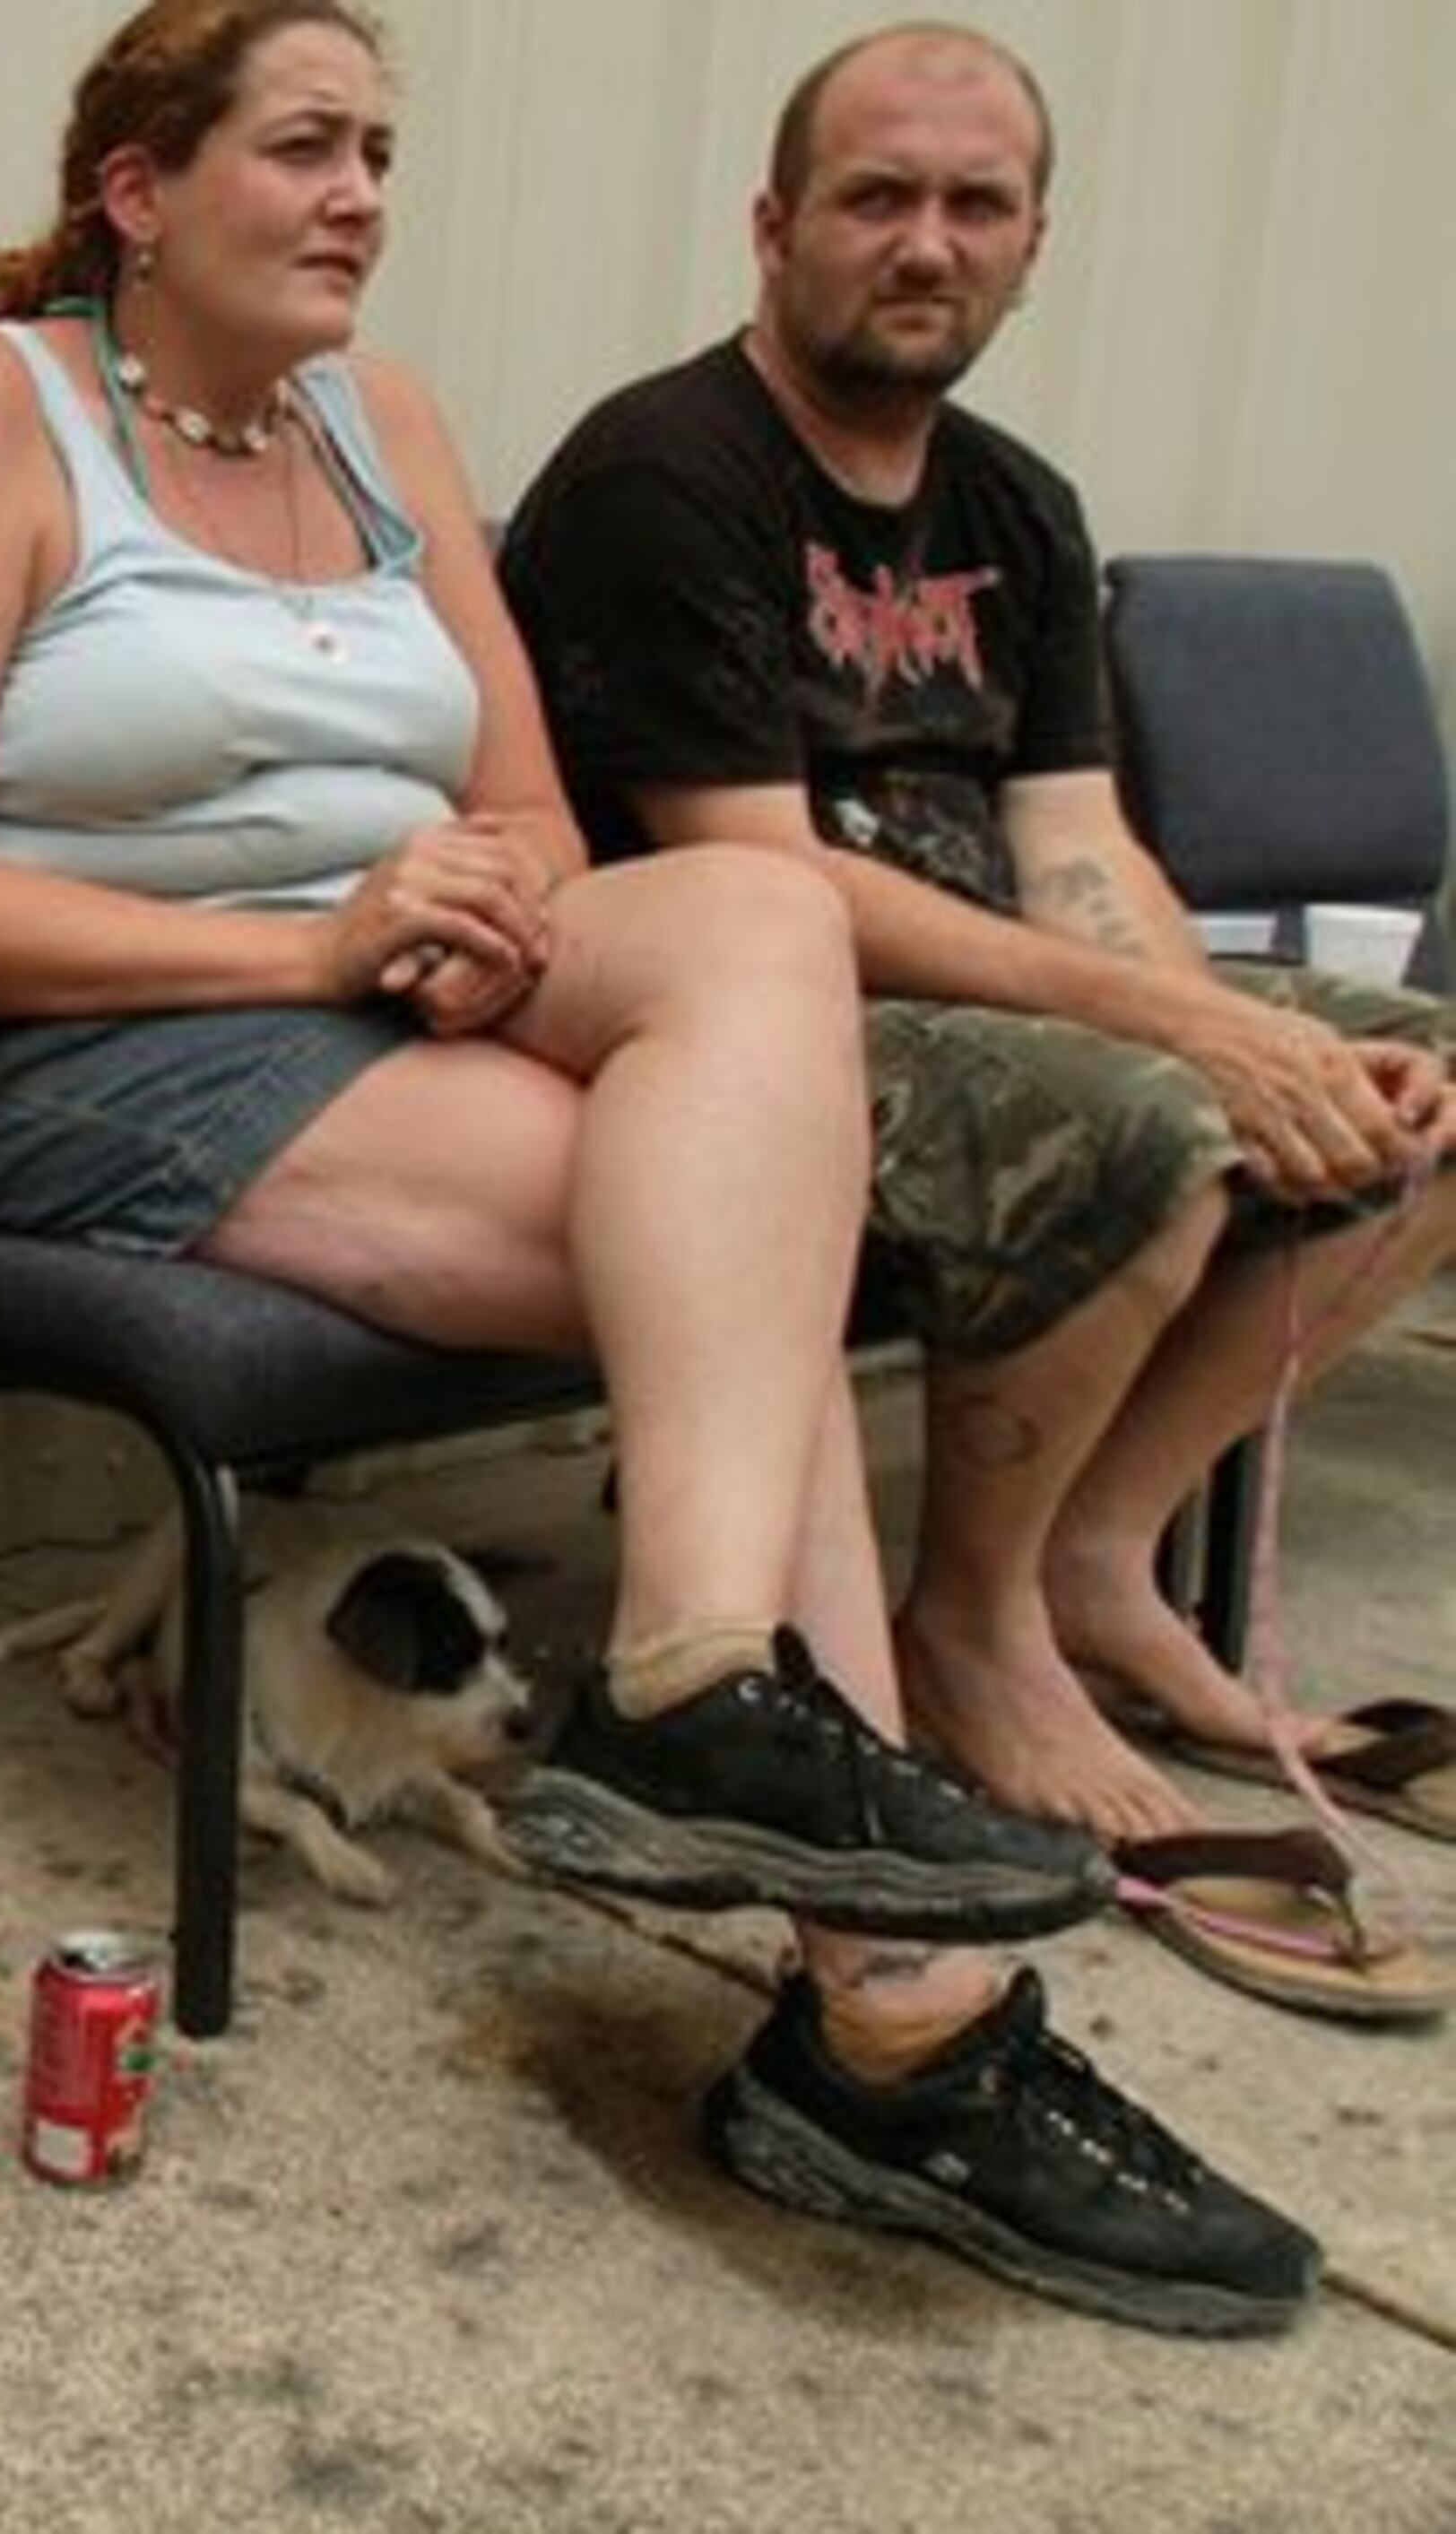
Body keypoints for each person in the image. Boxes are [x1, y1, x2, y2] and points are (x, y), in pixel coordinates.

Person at [0, 0, 1316, 2334]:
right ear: (139, 187)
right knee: (735, 1249)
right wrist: (326, 933)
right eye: (306, 147)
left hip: (375, 999)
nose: (361, 198)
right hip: (60, 1050)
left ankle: (708, 1679)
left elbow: (518, 789)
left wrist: (490, 894)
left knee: (754, 918)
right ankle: (891, 2025)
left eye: (382, 153)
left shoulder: (380, 424)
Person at [499, 22, 1456, 1850]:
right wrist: (1188, 1047)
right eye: (877, 198)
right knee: (1149, 1121)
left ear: (1035, 241)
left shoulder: (1016, 501)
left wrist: (1258, 1032)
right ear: (773, 226)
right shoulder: (666, 471)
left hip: (1008, 982)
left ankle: (1103, 1555)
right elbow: (768, 877)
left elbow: (1073, 840)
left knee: (1422, 1088)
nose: (926, 242)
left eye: (974, 204)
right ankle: (972, 1619)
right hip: (764, 1023)